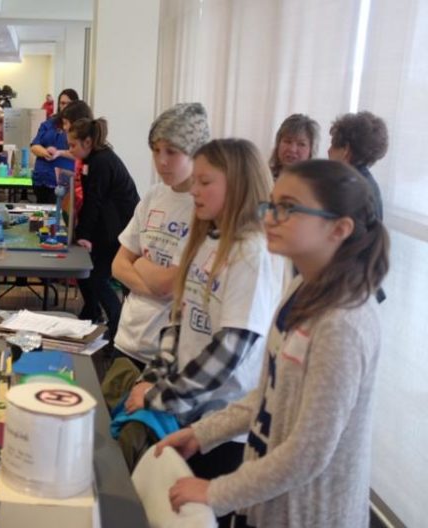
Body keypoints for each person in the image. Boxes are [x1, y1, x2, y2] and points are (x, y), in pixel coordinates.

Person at [158, 159, 389, 528]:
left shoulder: (344, 322)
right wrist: (202, 434)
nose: (269, 218)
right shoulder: (302, 287)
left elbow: (309, 453)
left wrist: (216, 493)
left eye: (289, 209)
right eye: (272, 204)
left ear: (339, 229)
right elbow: (268, 395)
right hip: (268, 505)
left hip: (308, 515)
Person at [126, 139, 284, 527]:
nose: (193, 190)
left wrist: (161, 397)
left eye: (205, 181)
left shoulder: (251, 253)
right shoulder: (204, 240)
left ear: (239, 185)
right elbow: (177, 322)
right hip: (188, 417)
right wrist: (153, 378)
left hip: (224, 430)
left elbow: (231, 347)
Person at [111, 103, 210, 368]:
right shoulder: (154, 195)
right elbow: (118, 265)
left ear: (196, 152)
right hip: (128, 338)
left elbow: (171, 284)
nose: (161, 161)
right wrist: (155, 284)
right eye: (156, 151)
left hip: (169, 352)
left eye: (172, 152)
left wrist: (140, 264)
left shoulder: (204, 206)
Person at [69, 117, 140, 340]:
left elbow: (94, 201)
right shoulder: (95, 159)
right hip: (111, 224)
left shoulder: (101, 163)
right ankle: (91, 312)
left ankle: (116, 324)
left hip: (119, 228)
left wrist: (85, 235)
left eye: (72, 145)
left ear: (87, 142)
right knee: (84, 271)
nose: (69, 150)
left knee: (96, 278)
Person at [328, 111, 388, 220]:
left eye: (333, 144)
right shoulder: (370, 183)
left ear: (346, 149)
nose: (328, 151)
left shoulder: (347, 188)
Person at [30, 88, 79, 203]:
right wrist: (46, 152)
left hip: (64, 182)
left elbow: (81, 154)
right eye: (62, 103)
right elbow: (34, 145)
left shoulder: (79, 128)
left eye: (69, 103)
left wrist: (59, 153)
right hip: (41, 180)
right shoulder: (49, 123)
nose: (65, 106)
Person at [60, 100, 95, 220]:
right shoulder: (82, 156)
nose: (64, 128)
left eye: (66, 123)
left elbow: (91, 200)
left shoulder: (96, 161)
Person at [268, 113, 320, 180]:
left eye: (301, 144)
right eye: (287, 141)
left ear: (311, 150)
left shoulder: (316, 184)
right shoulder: (264, 176)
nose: (292, 149)